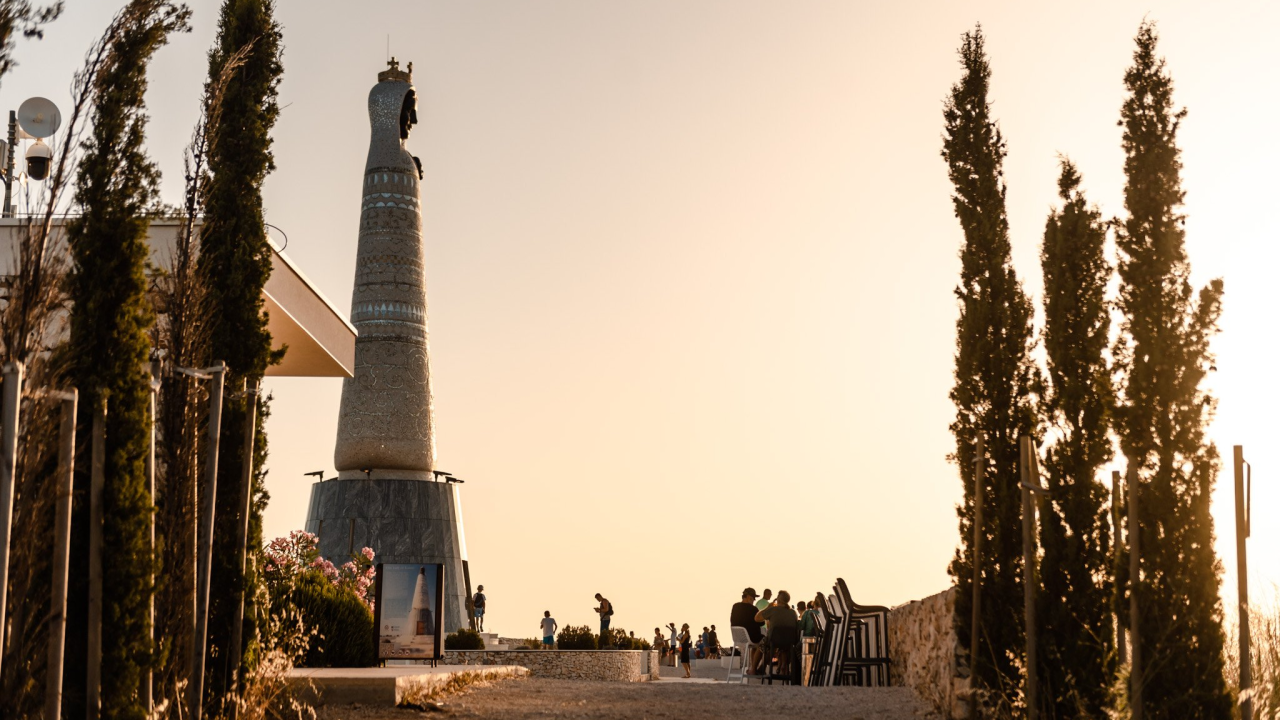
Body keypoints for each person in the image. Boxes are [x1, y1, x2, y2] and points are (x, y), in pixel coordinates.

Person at [756, 590, 799, 677]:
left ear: (778, 600)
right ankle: (783, 665)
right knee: (782, 648)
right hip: (789, 641)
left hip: (773, 640)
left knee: (762, 645)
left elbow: (757, 618)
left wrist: (768, 607)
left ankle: (755, 668)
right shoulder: (793, 612)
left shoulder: (773, 610)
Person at [731, 588, 764, 674]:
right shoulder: (753, 609)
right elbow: (761, 623)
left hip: (738, 638)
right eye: (753, 598)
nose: (754, 600)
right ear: (749, 597)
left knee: (756, 645)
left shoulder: (735, 606)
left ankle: (752, 668)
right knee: (764, 642)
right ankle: (754, 668)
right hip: (751, 638)